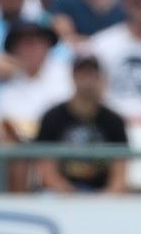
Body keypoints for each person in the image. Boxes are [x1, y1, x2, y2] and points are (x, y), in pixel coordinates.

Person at [34, 54, 129, 194]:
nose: (88, 81)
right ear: (73, 77)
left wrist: (105, 197)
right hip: (59, 195)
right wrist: (70, 195)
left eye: (93, 74)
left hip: (102, 194)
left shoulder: (114, 121)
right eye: (83, 74)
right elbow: (45, 169)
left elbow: (120, 172)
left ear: (101, 78)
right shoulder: (52, 117)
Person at [0, 20, 73, 136]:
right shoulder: (5, 93)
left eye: (36, 43)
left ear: (47, 45)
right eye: (24, 44)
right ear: (14, 51)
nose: (31, 50)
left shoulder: (69, 75)